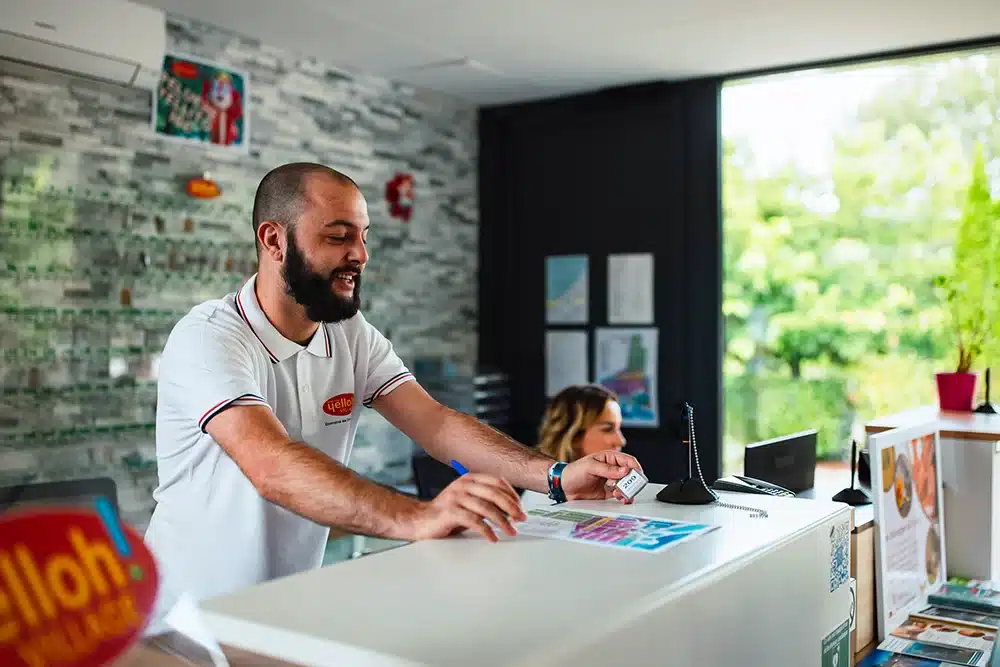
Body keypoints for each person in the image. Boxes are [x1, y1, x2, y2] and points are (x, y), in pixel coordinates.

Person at [143, 162, 642, 625]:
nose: (359, 254)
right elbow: (270, 464)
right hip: (184, 624)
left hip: (280, 613)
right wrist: (420, 517)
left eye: (363, 237)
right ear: (274, 240)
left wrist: (555, 476)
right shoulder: (208, 336)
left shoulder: (350, 334)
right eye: (339, 237)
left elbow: (437, 424)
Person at [520, 385, 628, 509]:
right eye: (608, 429)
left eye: (618, 428)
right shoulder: (537, 497)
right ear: (574, 436)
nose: (621, 441)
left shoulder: (611, 490)